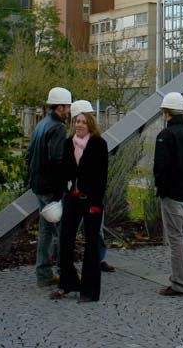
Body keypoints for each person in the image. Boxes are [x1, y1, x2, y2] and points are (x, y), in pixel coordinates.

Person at [51, 100, 108, 303]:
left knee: (91, 244)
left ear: (90, 123)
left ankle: (90, 290)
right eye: (77, 121)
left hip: (91, 200)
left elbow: (101, 176)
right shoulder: (69, 143)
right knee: (65, 241)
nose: (80, 125)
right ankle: (68, 283)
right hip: (72, 199)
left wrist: (96, 202)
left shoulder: (99, 144)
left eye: (83, 122)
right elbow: (63, 172)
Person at [153, 91, 183, 296]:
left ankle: (180, 283)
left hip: (172, 194)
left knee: (175, 238)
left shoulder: (165, 136)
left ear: (166, 113)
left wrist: (161, 189)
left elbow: (161, 167)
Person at [25, 86, 71, 288]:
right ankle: (64, 272)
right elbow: (56, 160)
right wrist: (63, 187)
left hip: (39, 185)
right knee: (61, 231)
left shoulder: (41, 124)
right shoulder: (58, 128)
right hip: (51, 187)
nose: (69, 110)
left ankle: (43, 274)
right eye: (67, 106)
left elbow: (29, 155)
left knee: (45, 231)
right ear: (60, 107)